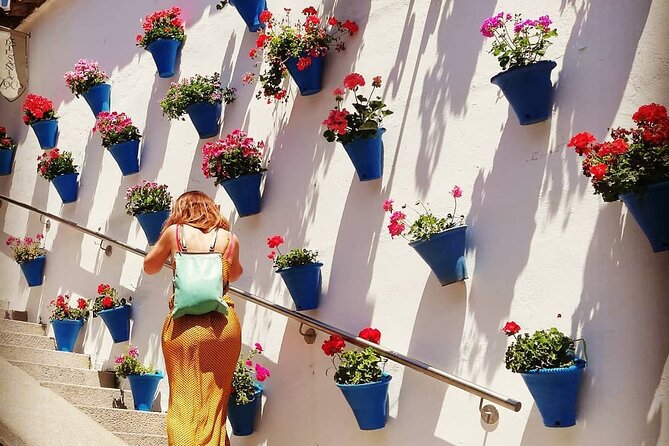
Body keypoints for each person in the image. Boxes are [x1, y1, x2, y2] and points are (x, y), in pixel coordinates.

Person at [144, 191, 243, 446]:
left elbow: (150, 266)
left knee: (184, 399)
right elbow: (236, 273)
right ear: (212, 208)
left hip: (183, 326)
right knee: (215, 403)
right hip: (223, 325)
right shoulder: (229, 239)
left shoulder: (174, 233)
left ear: (181, 209)